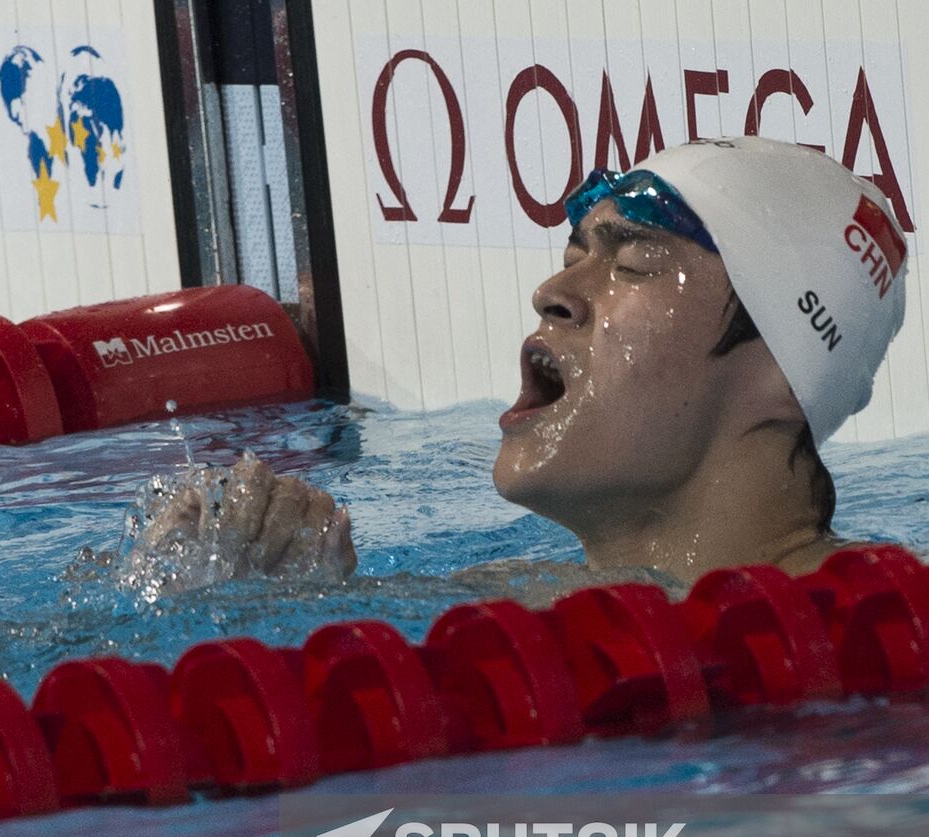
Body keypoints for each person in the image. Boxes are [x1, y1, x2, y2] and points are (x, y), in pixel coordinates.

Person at [130, 137, 908, 586]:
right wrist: (265, 602)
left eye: (632, 263)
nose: (552, 292)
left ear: (779, 370)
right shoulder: (500, 608)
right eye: (570, 257)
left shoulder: (886, 624)